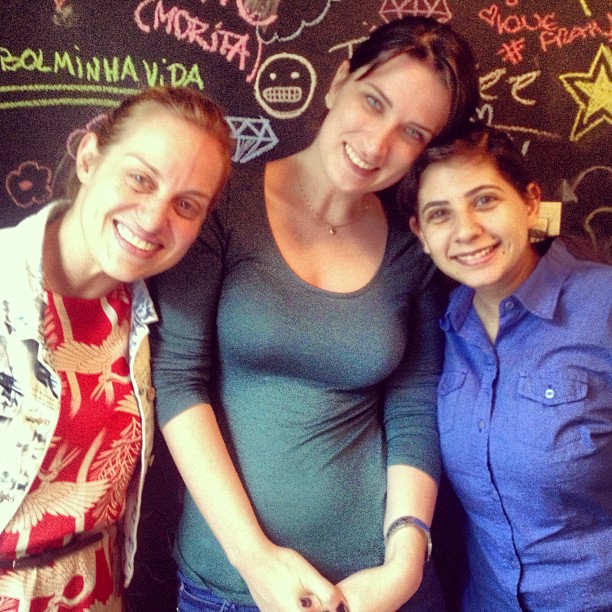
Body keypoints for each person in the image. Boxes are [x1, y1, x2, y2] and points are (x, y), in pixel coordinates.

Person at [150, 15, 479, 612]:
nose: (377, 143)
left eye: (412, 132)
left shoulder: (415, 245)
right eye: (373, 102)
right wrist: (254, 557)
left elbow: (413, 406)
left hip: (380, 590)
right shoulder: (223, 202)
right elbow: (176, 380)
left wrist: (405, 565)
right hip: (232, 586)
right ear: (338, 82)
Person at [0, 85, 232, 610]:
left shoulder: (153, 324)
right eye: (140, 178)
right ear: (88, 157)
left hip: (97, 589)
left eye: (186, 205)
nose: (153, 219)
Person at [405, 122, 612, 611]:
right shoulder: (444, 330)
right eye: (440, 214)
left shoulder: (602, 304)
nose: (467, 231)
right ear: (421, 235)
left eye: (485, 201)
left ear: (530, 201)